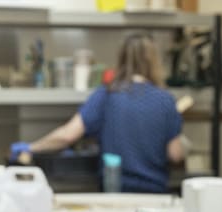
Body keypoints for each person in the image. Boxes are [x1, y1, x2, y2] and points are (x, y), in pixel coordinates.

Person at [13, 33, 185, 194]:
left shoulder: (108, 94)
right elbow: (175, 154)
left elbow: (67, 135)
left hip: (116, 193)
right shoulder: (165, 100)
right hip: (155, 194)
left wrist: (31, 147)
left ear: (122, 59)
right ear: (153, 61)